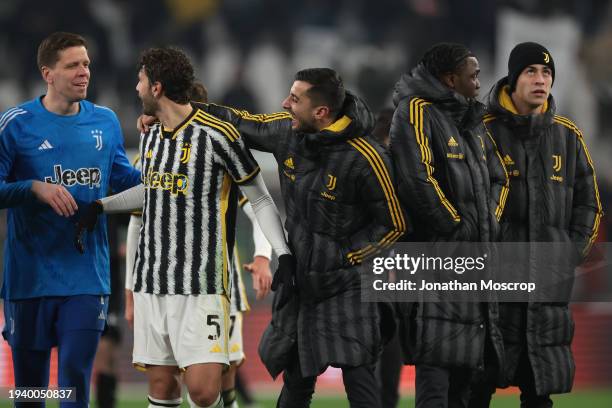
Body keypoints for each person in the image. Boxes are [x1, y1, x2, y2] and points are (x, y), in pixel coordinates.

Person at [78, 47, 293, 408]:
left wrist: (280, 252)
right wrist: (100, 206)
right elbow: (150, 192)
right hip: (152, 284)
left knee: (205, 390)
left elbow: (259, 199)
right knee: (161, 387)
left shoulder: (219, 136)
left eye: (141, 80)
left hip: (202, 285)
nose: (136, 87)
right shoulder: (150, 137)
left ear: (157, 87)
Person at [181, 68, 406, 407]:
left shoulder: (367, 156)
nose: (285, 103)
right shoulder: (287, 132)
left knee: (359, 378)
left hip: (349, 286)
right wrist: (178, 110)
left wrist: (345, 257)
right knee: (297, 379)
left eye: (295, 99)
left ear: (321, 112)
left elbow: (394, 225)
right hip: (302, 284)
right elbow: (239, 121)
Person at [0, 32, 140, 406]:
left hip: (85, 277)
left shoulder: (106, 122)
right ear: (48, 73)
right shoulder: (15, 124)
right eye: (73, 65)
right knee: (29, 392)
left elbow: (125, 181)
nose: (84, 73)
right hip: (29, 278)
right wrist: (33, 188)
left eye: (87, 64)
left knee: (73, 380)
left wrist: (164, 155)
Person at [468, 42, 603, 408]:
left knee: (539, 392)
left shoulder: (567, 135)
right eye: (531, 72)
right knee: (475, 390)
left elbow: (589, 203)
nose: (541, 80)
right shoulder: (481, 131)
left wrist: (569, 253)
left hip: (546, 285)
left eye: (547, 73)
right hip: (492, 287)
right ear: (513, 79)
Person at [389, 42, 509, 408]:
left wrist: (485, 225)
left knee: (466, 373)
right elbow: (416, 179)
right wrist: (455, 226)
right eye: (472, 76)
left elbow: (499, 178)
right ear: (449, 78)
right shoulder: (415, 111)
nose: (478, 82)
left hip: (475, 261)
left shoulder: (471, 119)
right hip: (435, 260)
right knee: (435, 367)